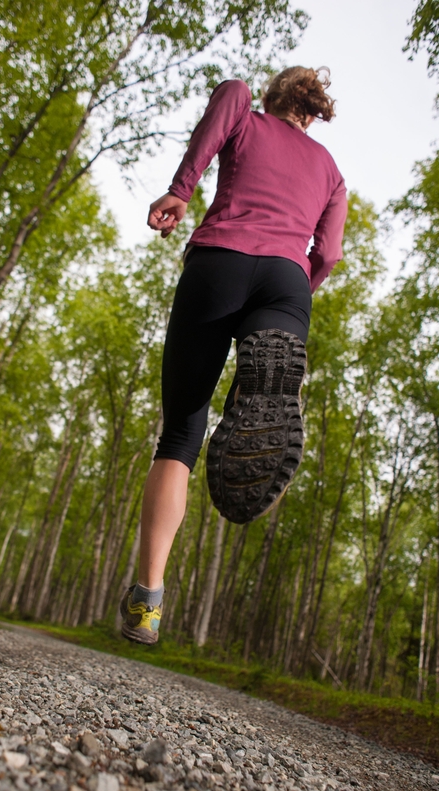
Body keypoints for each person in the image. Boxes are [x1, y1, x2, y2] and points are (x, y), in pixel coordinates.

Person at [120, 66, 347, 645]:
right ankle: (256, 385)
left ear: (272, 98)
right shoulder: (332, 173)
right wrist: (294, 287)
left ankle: (148, 600)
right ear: (315, 112)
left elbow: (228, 102)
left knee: (180, 436)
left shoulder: (245, 110)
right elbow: (330, 253)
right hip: (286, 283)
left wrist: (181, 189)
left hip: (219, 261)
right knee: (272, 354)